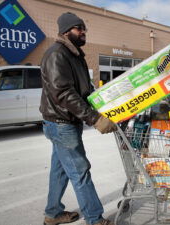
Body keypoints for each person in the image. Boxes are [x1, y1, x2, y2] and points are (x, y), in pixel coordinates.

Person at [39, 12, 117, 225]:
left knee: (60, 170)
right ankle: (95, 218)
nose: (83, 32)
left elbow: (84, 91)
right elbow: (64, 93)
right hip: (61, 124)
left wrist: (105, 106)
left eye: (84, 28)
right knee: (80, 170)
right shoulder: (57, 54)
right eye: (78, 28)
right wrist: (94, 119)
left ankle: (53, 213)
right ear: (66, 31)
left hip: (64, 123)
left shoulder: (75, 55)